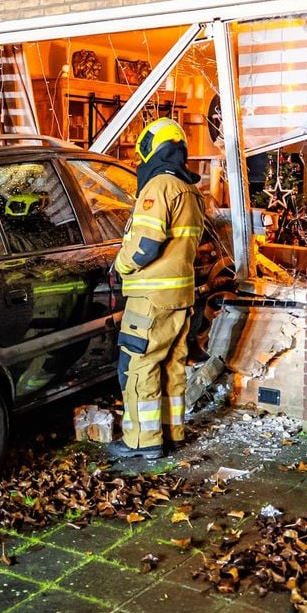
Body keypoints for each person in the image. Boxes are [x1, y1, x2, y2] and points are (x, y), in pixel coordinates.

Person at [108, 118, 203, 460]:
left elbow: (146, 244)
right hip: (181, 297)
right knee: (172, 367)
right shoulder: (190, 190)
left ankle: (141, 441)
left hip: (152, 299)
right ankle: (172, 433)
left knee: (139, 366)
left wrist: (120, 265)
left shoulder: (158, 188)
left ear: (151, 148)